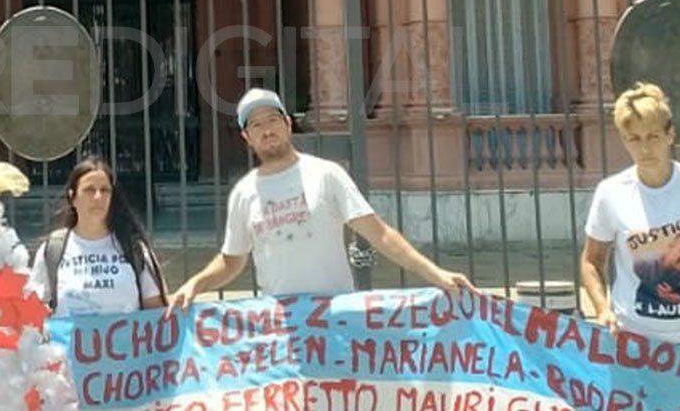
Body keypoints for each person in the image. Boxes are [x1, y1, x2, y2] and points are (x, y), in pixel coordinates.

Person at [168, 88, 473, 312]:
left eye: (272, 119)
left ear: (288, 124)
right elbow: (232, 261)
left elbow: (378, 233)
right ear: (246, 138)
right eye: (256, 125)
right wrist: (196, 284)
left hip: (335, 316)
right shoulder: (244, 193)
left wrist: (437, 275)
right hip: (280, 319)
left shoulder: (326, 175)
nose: (266, 130)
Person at [582, 82, 680, 342]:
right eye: (635, 139)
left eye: (653, 136)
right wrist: (602, 309)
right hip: (633, 341)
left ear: (670, 134)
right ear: (624, 141)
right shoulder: (611, 192)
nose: (645, 148)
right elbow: (591, 261)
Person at [28, 156, 167, 317]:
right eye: (89, 190)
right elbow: (34, 313)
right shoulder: (52, 250)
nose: (98, 197)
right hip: (69, 343)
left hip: (126, 342)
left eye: (105, 190)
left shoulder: (134, 248)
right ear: (72, 197)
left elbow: (156, 313)